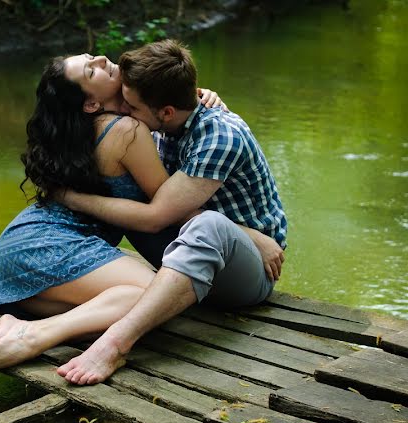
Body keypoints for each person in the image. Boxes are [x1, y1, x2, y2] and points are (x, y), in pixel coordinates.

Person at [0, 48, 283, 383]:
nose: (101, 61)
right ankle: (34, 331)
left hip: (240, 260)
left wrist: (253, 235)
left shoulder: (112, 127)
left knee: (158, 291)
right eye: (92, 71)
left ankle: (24, 324)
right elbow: (159, 210)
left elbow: (159, 210)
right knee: (149, 303)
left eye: (93, 57)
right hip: (52, 245)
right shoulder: (131, 127)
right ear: (91, 103)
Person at [55, 39, 288, 385]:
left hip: (248, 272)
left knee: (206, 224)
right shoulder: (166, 121)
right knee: (123, 189)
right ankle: (36, 260)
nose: (125, 114)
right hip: (189, 248)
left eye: (130, 107)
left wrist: (72, 198)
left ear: (165, 112)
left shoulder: (220, 136)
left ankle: (116, 343)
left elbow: (158, 216)